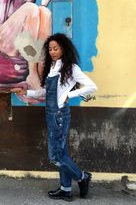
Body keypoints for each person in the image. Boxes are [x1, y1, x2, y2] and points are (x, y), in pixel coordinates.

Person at [12, 33, 97, 201]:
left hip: (59, 115)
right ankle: (66, 189)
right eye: (50, 49)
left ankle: (81, 177)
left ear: (63, 48)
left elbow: (91, 86)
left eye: (55, 48)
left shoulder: (71, 67)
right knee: (62, 153)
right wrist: (26, 92)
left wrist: (69, 95)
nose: (52, 51)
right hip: (51, 114)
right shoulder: (52, 67)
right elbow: (46, 92)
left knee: (55, 156)